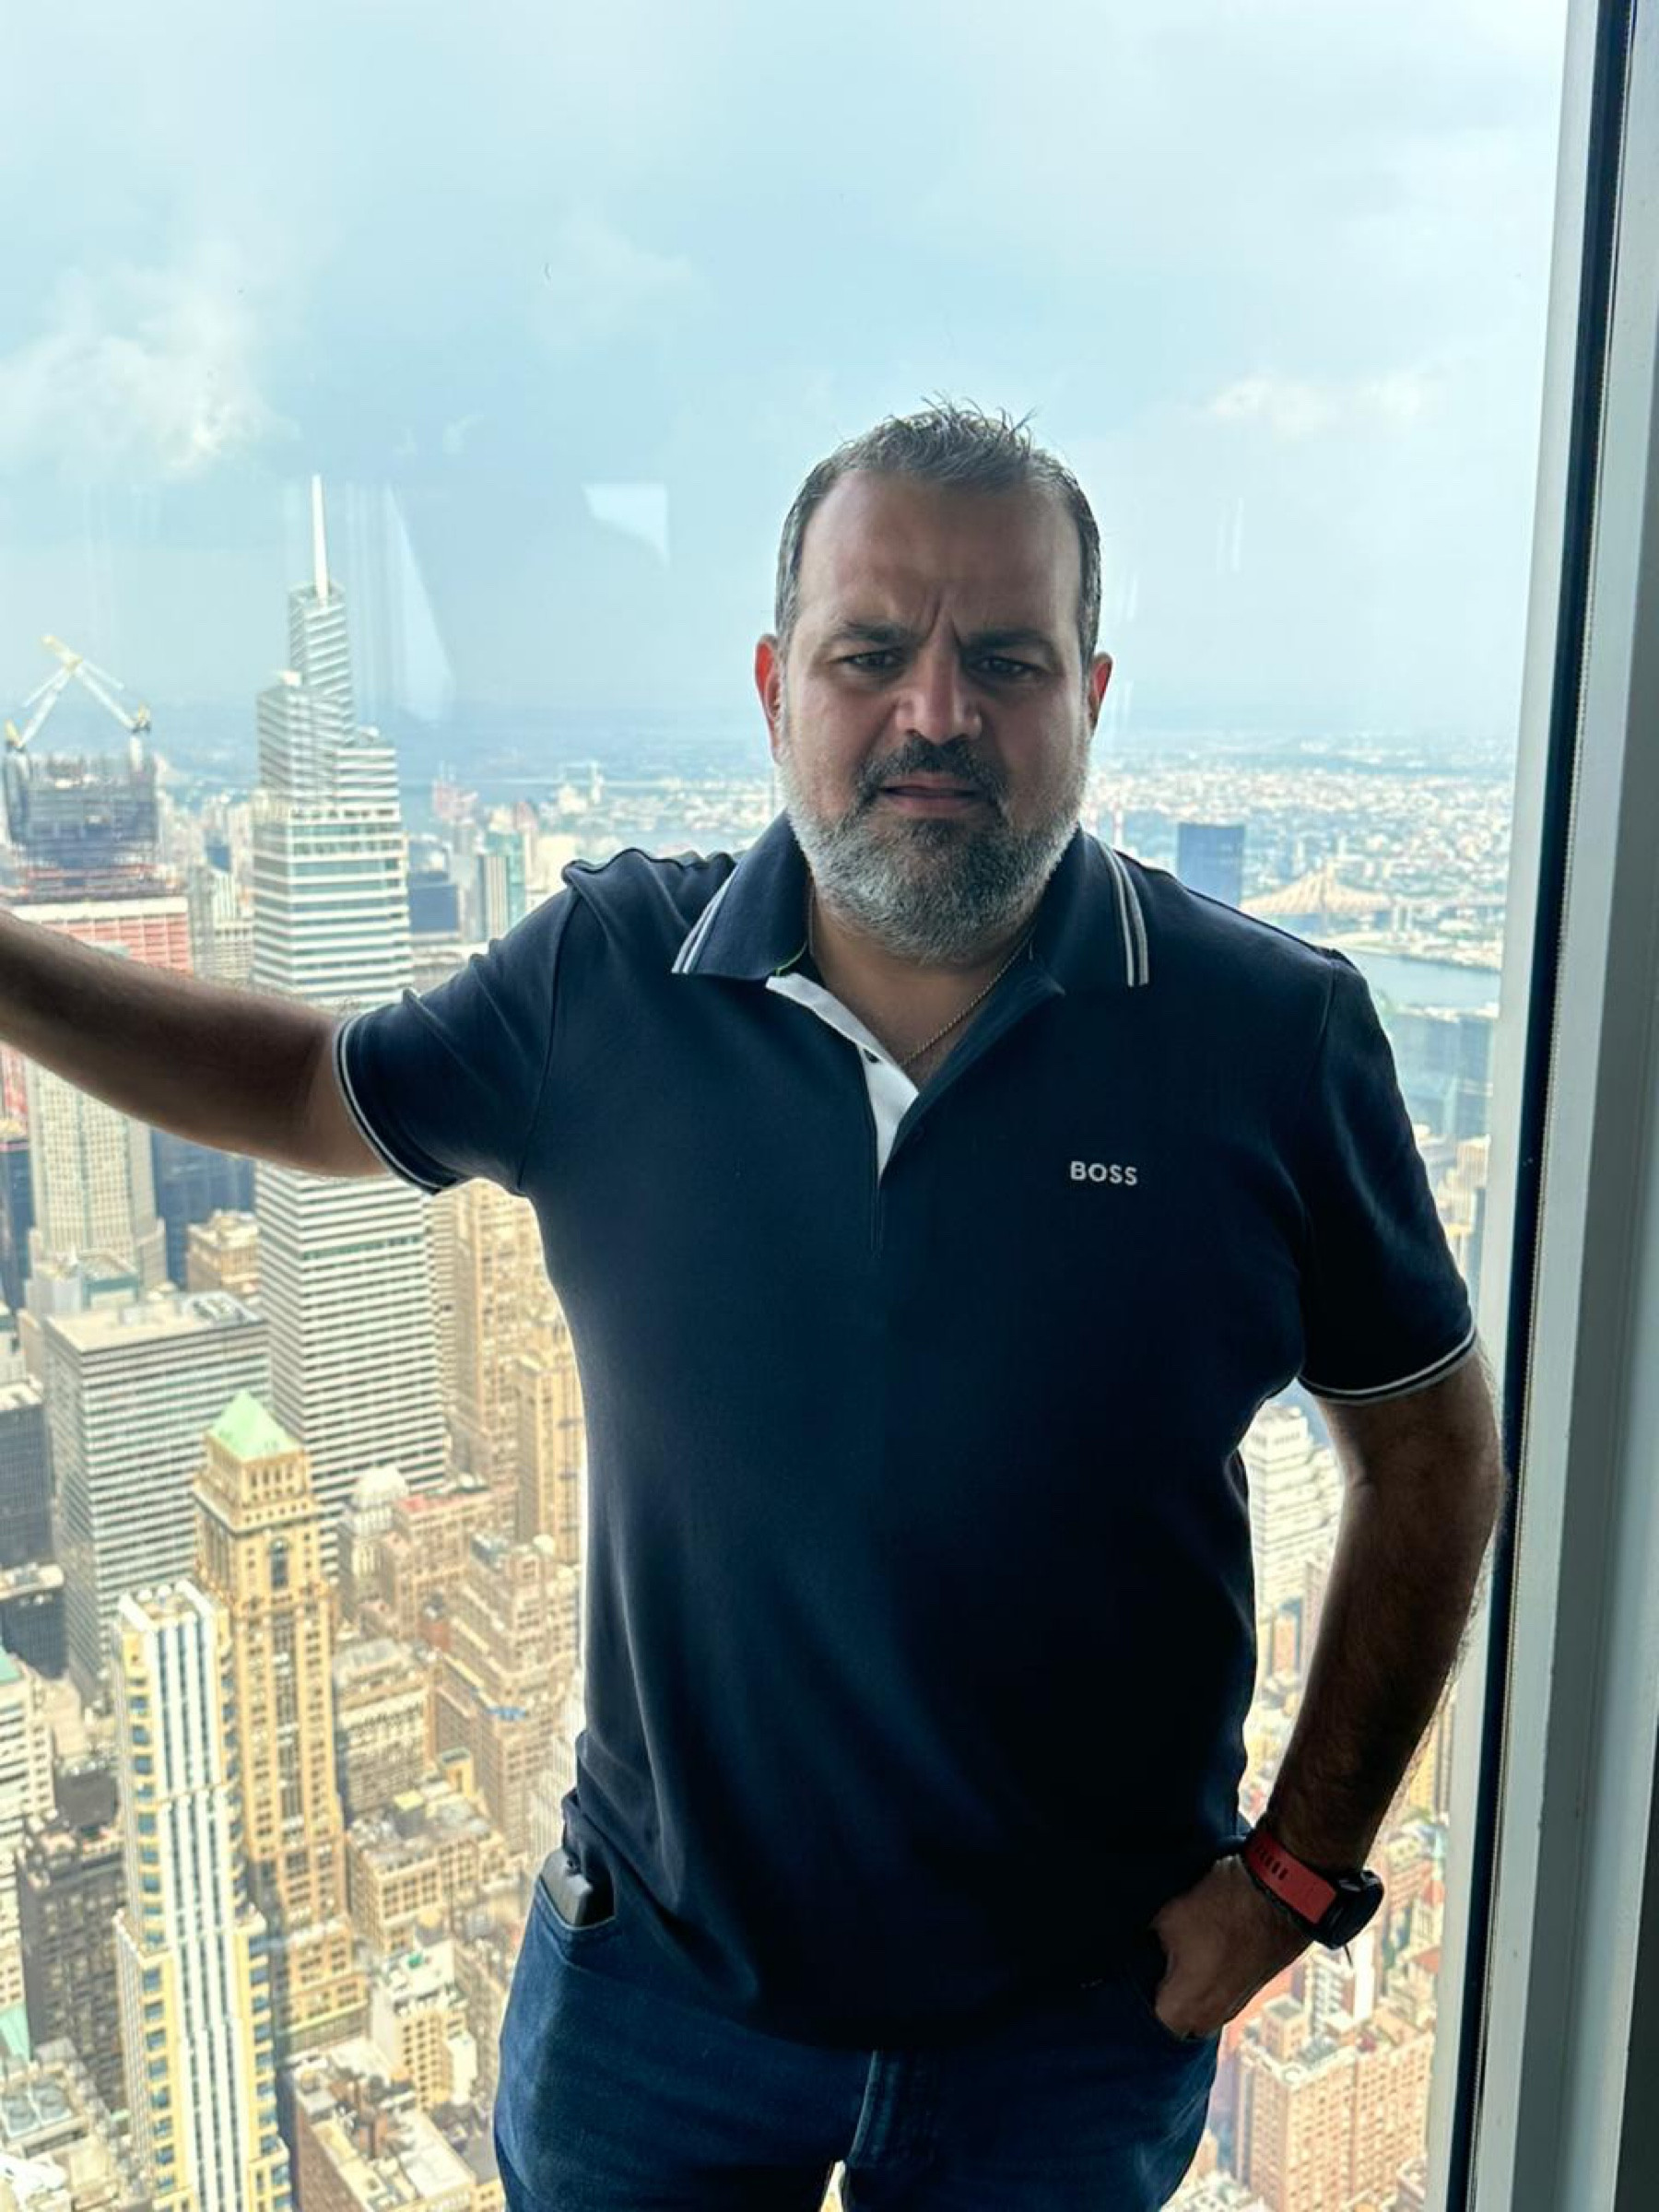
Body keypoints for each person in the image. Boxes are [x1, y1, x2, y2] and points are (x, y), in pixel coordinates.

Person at [0, 400, 1506, 2210]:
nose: (935, 711)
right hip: (656, 2005)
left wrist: (1295, 1877)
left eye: (1004, 660)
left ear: (1091, 697)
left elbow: (1433, 1453)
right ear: (779, 687)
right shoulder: (611, 979)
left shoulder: (1267, 1036)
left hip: (1071, 2028)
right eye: (872, 655)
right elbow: (314, 1088)